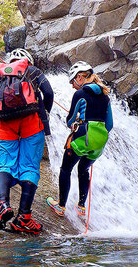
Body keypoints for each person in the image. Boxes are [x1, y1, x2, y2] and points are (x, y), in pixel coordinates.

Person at [0, 48, 54, 235]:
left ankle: (2, 204)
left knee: (5, 165)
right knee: (30, 167)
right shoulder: (34, 72)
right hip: (32, 122)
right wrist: (43, 112)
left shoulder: (0, 76)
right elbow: (49, 92)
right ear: (27, 61)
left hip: (5, 123)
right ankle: (24, 218)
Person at [47, 61, 113, 217]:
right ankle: (81, 207)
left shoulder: (80, 94)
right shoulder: (105, 96)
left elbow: (69, 121)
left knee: (65, 169)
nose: (72, 86)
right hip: (99, 142)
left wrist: (77, 124)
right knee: (83, 169)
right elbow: (109, 124)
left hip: (83, 137)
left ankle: (61, 206)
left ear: (79, 77)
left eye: (72, 81)